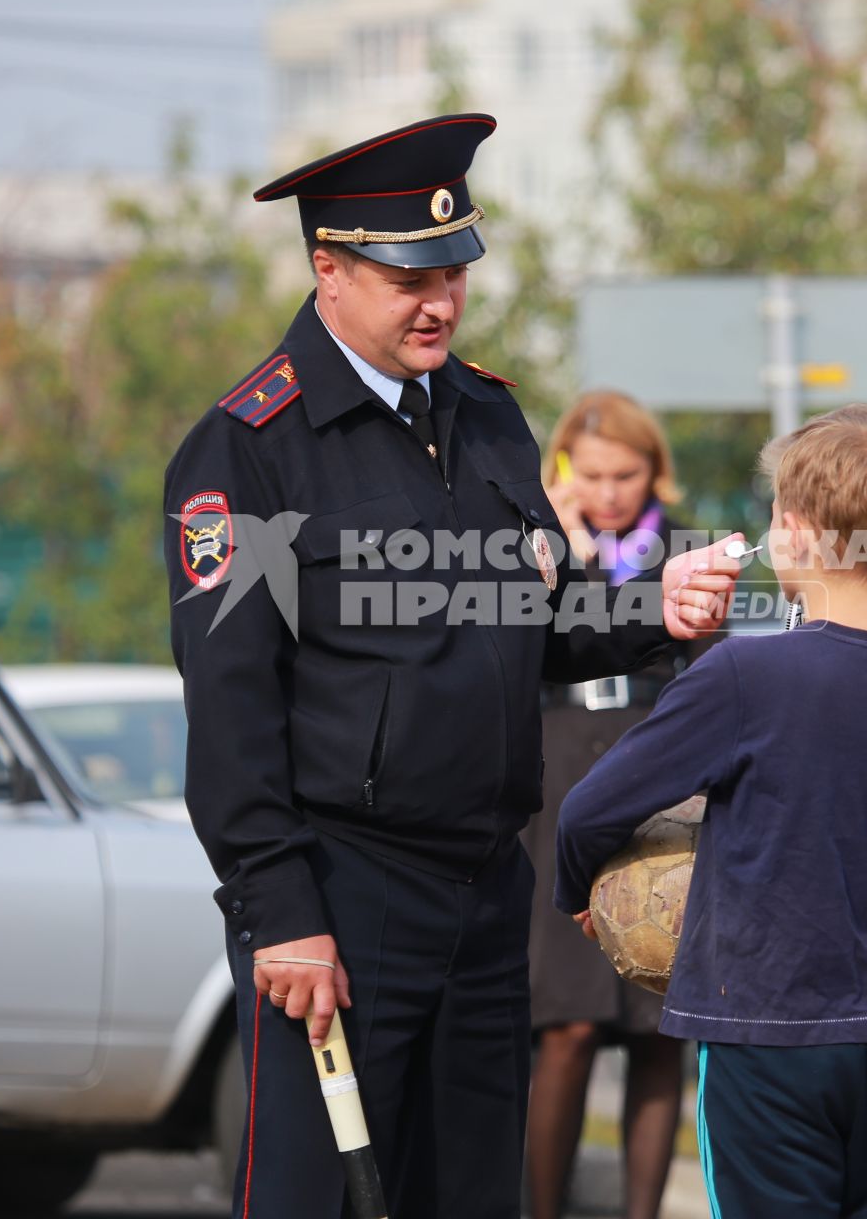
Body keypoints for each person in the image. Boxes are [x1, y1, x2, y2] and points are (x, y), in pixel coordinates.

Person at [161, 112, 741, 1219]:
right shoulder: (249, 446)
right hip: (339, 891)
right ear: (328, 268)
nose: (438, 300)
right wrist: (280, 907)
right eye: (403, 276)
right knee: (320, 1198)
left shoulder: (485, 416)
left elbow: (527, 621)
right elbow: (229, 709)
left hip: (486, 893)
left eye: (452, 270)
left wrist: (649, 611)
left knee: (475, 1192)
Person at [555, 406, 867, 1219]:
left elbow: (587, 811)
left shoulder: (745, 675)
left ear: (790, 530)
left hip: (764, 1034)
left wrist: (581, 895)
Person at [521, 391, 692, 1219]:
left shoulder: (683, 552)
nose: (610, 491)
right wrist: (568, 549)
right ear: (560, 471)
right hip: (558, 787)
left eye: (626, 474)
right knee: (568, 1025)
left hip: (655, 780)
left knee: (661, 1031)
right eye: (590, 475)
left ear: (654, 472)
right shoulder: (536, 546)